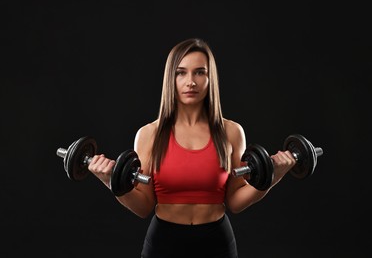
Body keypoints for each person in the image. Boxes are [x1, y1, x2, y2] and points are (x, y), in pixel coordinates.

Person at [87, 38, 296, 258]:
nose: (190, 82)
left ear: (210, 78)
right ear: (171, 78)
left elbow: (235, 202)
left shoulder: (231, 132)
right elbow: (144, 206)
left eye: (199, 72)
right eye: (181, 73)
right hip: (164, 242)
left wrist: (273, 177)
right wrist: (111, 180)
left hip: (216, 241)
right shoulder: (149, 134)